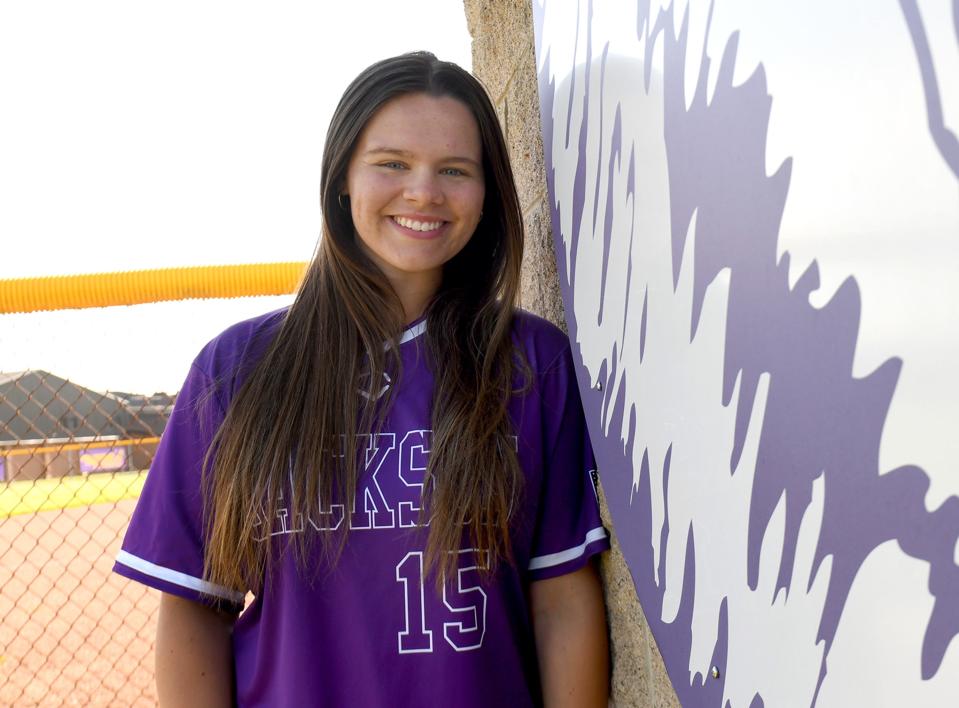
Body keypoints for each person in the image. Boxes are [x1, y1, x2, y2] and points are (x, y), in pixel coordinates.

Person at [113, 51, 610, 707]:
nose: (423, 191)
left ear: (487, 194)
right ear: (342, 176)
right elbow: (194, 608)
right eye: (392, 163)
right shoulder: (236, 370)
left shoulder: (527, 362)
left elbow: (561, 601)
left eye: (455, 171)